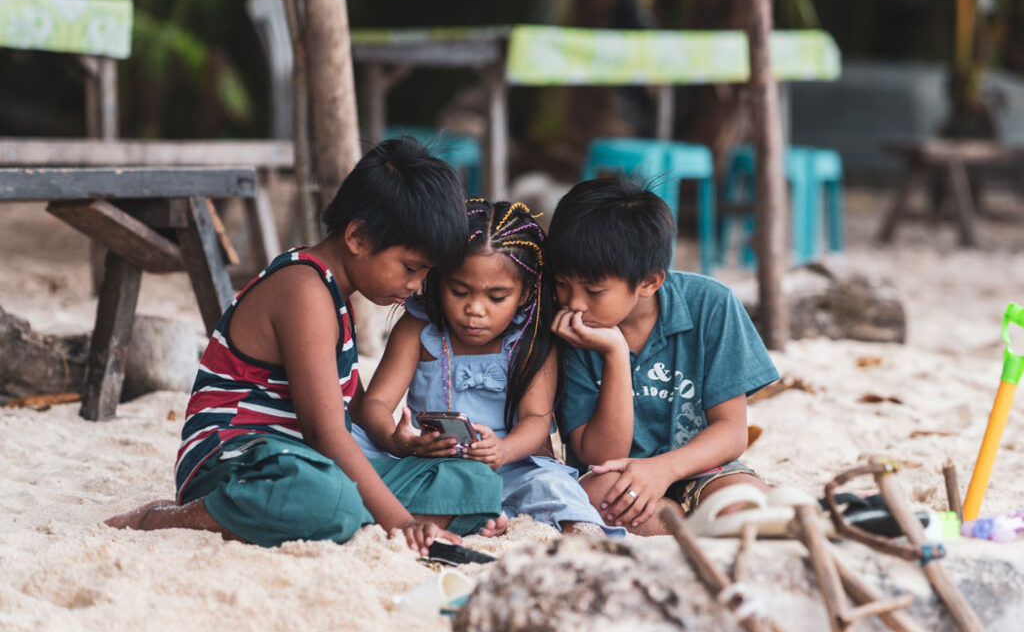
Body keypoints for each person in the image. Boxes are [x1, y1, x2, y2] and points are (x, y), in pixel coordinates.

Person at [105, 138, 504, 554]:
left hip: (307, 464)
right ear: (359, 237)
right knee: (328, 498)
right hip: (237, 464)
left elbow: (353, 407)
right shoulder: (303, 289)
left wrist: (401, 444)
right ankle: (169, 518)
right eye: (410, 268)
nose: (415, 286)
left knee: (476, 483)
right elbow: (326, 433)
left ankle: (343, 515)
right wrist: (403, 523)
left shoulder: (337, 297)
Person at [352, 200, 624, 538]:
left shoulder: (529, 336)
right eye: (459, 291)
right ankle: (477, 514)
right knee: (351, 440)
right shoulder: (418, 329)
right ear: (438, 279)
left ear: (525, 293)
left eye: (496, 297)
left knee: (551, 486)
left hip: (510, 466)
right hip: (427, 462)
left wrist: (503, 450)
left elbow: (536, 419)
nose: (474, 310)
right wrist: (399, 442)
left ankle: (563, 530)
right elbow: (376, 404)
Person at [546, 177, 780, 535]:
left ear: (649, 282)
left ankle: (696, 522)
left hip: (703, 468)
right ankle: (681, 528)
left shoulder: (711, 304)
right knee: (615, 504)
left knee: (743, 507)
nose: (574, 303)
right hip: (614, 477)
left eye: (594, 290)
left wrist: (663, 470)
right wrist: (614, 354)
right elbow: (599, 456)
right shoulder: (568, 330)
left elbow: (732, 433)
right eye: (562, 284)